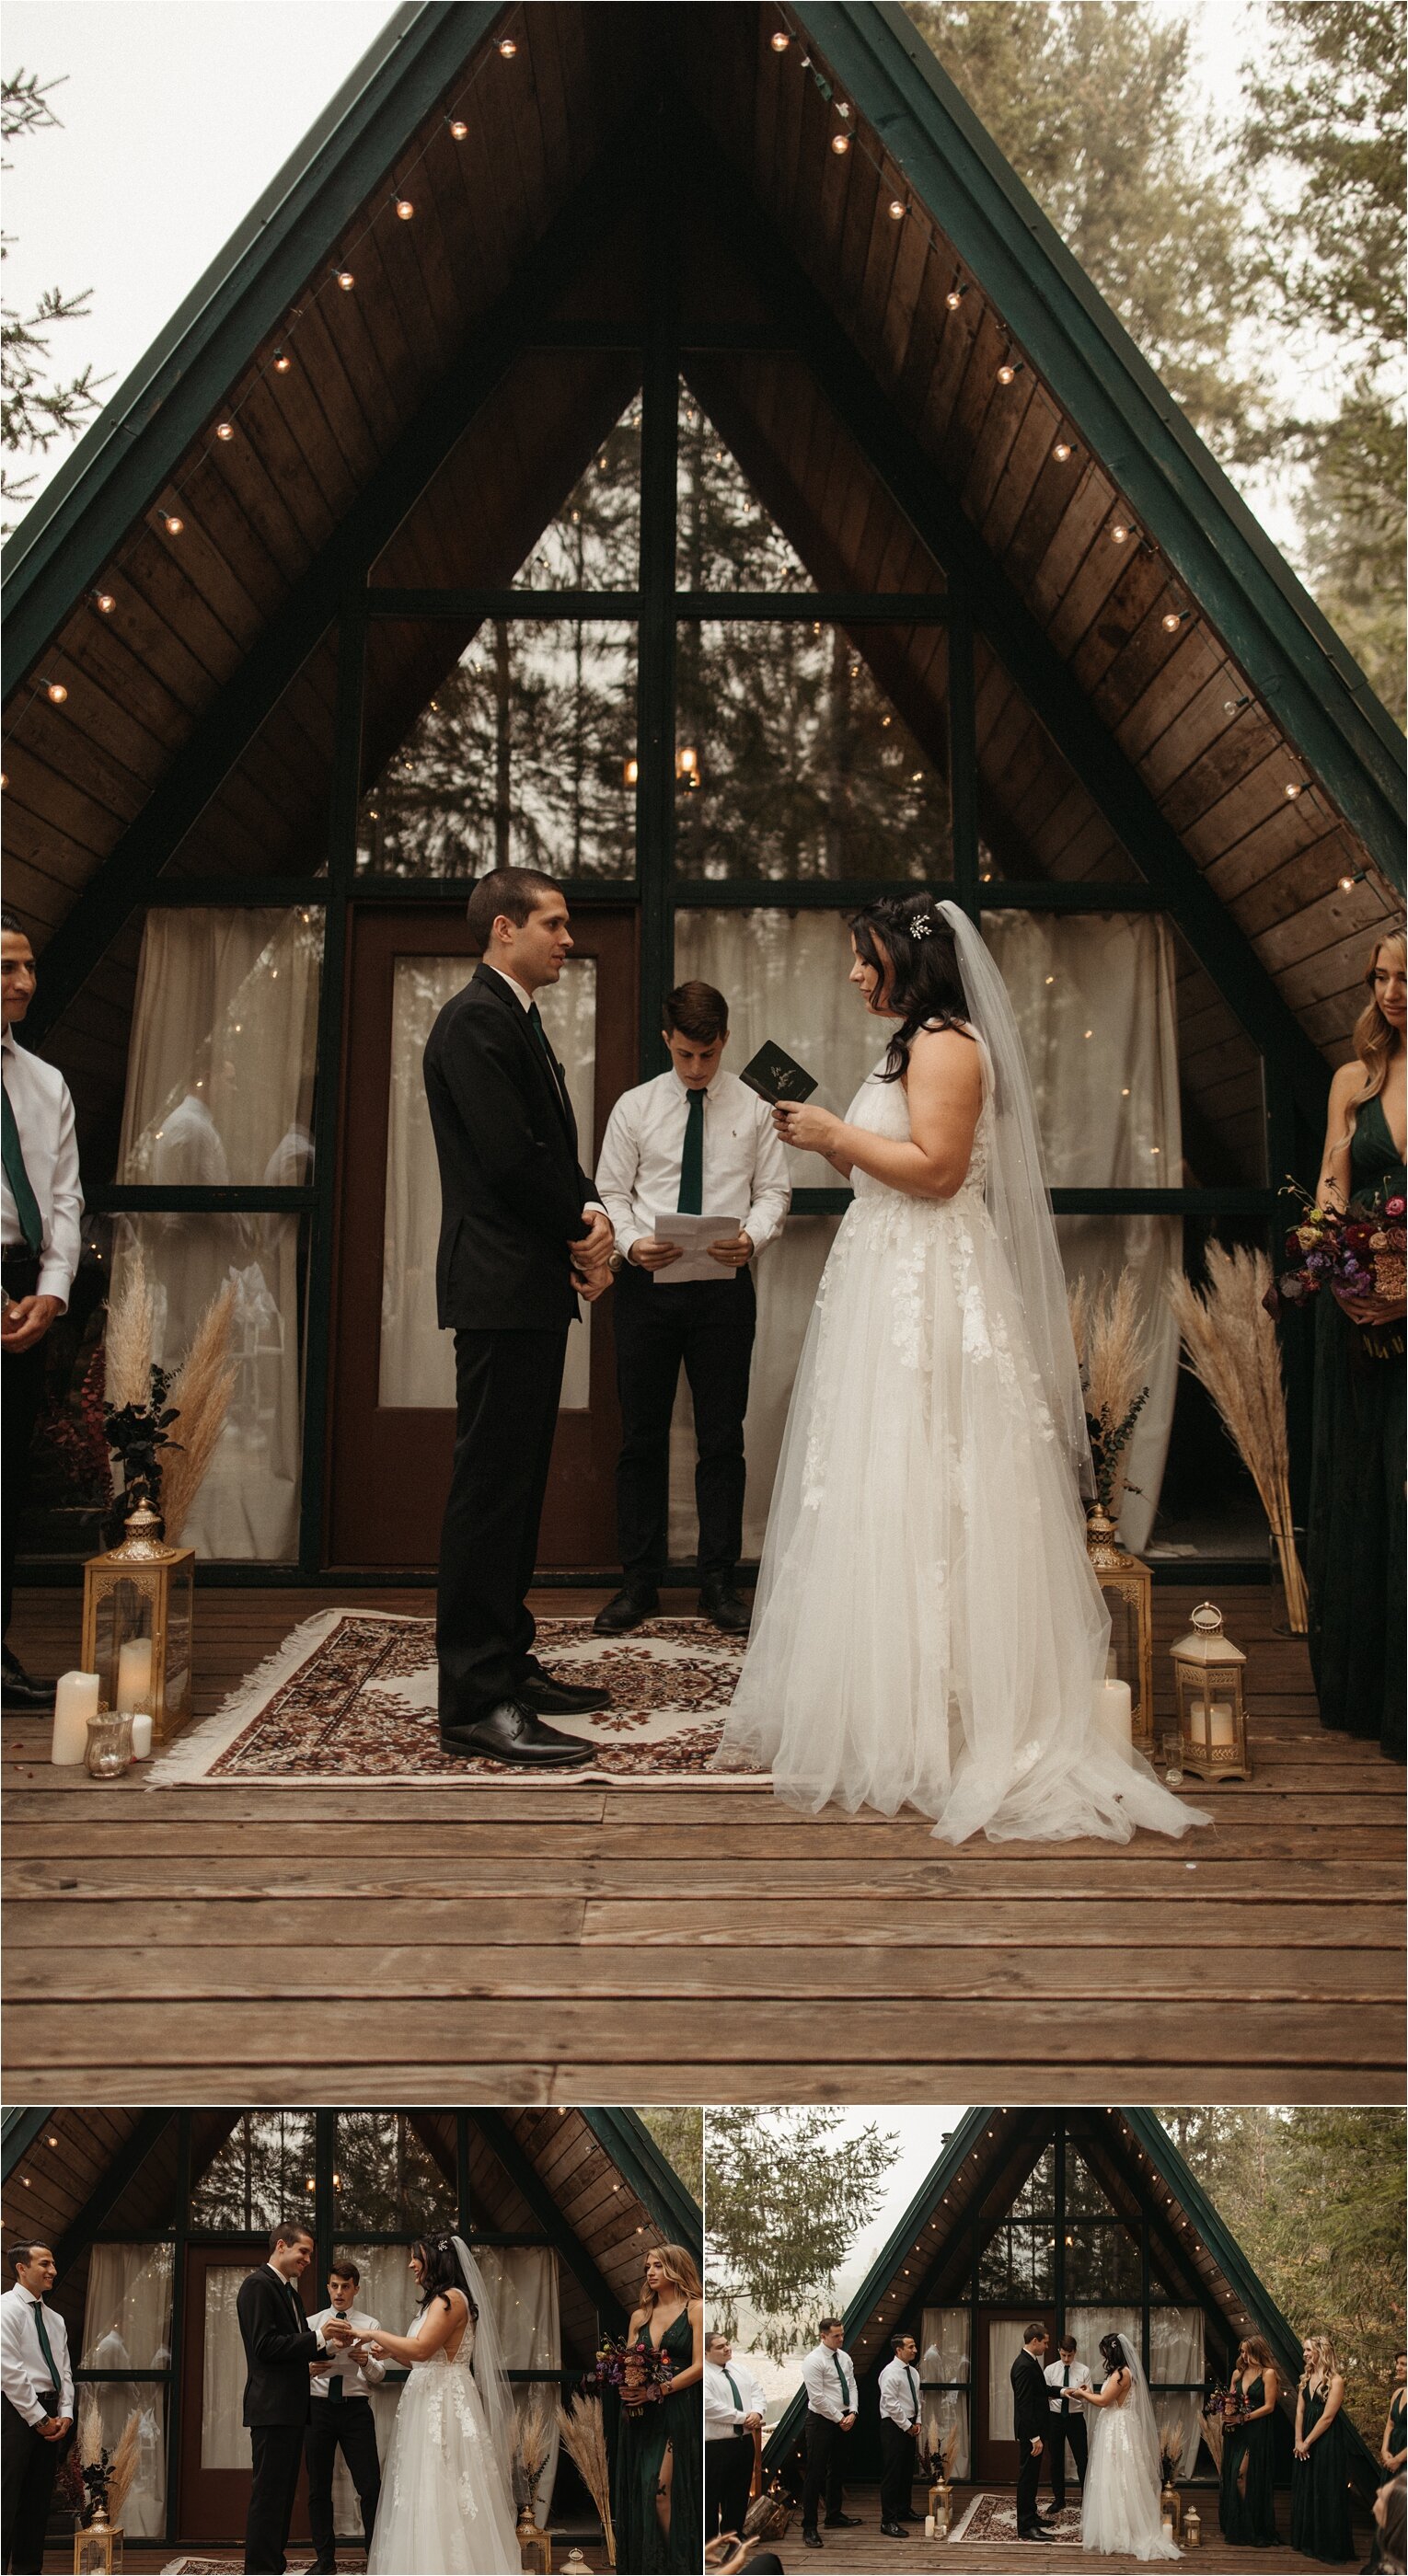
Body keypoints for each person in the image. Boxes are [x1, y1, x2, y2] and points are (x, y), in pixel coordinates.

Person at [715, 893, 1206, 1845]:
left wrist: (833, 1137)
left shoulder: (946, 1043)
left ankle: (949, 1712)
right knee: (879, 1476)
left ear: (907, 957)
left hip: (930, 1283)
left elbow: (938, 1170)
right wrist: (834, 1139)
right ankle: (884, 1701)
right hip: (888, 1272)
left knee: (934, 1468)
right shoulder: (908, 1041)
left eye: (865, 958)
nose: (856, 974)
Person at [423, 866, 614, 1768]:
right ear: (505, 929)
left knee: (519, 1484)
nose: (567, 939)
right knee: (490, 1492)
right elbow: (506, 1161)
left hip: (528, 1284)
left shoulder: (519, 1019)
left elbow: (550, 1150)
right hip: (499, 1286)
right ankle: (472, 1698)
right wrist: (584, 1224)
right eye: (555, 923)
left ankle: (507, 1656)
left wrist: (589, 1210)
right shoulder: (473, 1021)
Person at [594, 978, 790, 1637]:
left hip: (725, 1290)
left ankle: (717, 1583)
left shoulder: (755, 1108)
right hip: (648, 1289)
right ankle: (638, 1582)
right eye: (684, 1055)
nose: (697, 1068)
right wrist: (630, 1242)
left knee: (720, 1438)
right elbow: (611, 1192)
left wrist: (752, 1238)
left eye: (707, 1055)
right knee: (641, 1438)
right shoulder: (635, 1107)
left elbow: (775, 1193)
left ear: (724, 1041)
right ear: (667, 1042)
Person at [1308, 928, 1406, 1763]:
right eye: (1381, 976)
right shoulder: (1355, 1080)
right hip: (1359, 1313)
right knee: (1367, 1486)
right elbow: (1330, 1192)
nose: (1392, 992)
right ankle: (1369, 1693)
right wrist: (1340, 1273)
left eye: (1406, 976)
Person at [2, 911, 83, 1710]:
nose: (25, 983)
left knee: (4, 1482)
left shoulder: (44, 1080)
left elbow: (63, 1197)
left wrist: (51, 1292)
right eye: (6, 968)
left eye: (28, 967)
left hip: (24, 1290)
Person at [361, 2235, 520, 2575]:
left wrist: (375, 2335)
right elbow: (421, 2359)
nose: (410, 2265)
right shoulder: (433, 2302)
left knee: (445, 2483)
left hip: (445, 2403)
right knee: (420, 2486)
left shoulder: (452, 2300)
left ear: (435, 2259)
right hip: (425, 2398)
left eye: (416, 2257)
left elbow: (420, 2349)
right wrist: (392, 2352)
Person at [236, 2221, 355, 2576]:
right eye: (303, 2251)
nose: (307, 2259)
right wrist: (318, 2336)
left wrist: (332, 2345)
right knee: (268, 2497)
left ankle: (273, 2565)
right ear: (282, 2246)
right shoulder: (257, 2286)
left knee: (283, 2497)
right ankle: (260, 2570)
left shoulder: (289, 2291)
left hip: (290, 2410)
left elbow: (299, 2348)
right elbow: (264, 2346)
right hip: (271, 2408)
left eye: (309, 2254)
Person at [615, 2244, 704, 2573]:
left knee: (660, 2493)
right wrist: (625, 2382)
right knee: (641, 2491)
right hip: (639, 2415)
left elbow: (700, 2367)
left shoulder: (696, 2309)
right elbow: (628, 2363)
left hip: (676, 2411)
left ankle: (678, 2566)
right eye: (647, 2268)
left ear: (676, 2268)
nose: (650, 2272)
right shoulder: (640, 2315)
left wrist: (658, 2390)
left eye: (657, 2266)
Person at [303, 2258, 386, 2575]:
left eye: (346, 2287)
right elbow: (296, 2367)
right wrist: (308, 2369)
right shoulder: (312, 2323)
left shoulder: (371, 2325)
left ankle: (374, 2556)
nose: (339, 2292)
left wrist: (365, 2362)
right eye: (334, 2286)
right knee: (318, 2488)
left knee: (369, 2486)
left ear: (356, 2289)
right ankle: (325, 2561)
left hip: (355, 2412)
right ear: (328, 2287)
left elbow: (378, 2377)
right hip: (318, 2409)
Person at [1068, 2330, 1179, 2561]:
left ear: (1113, 2351)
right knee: (1117, 2474)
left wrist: (1082, 2394)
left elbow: (1104, 2401)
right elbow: (1109, 2397)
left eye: (1105, 2351)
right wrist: (1091, 2393)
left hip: (1118, 2429)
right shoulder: (1123, 2372)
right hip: (1118, 2424)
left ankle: (1122, 2530)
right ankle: (1116, 2525)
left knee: (1119, 2475)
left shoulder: (1122, 2374)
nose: (1103, 2355)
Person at [1, 2243, 74, 2576]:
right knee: (6, 2499)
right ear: (21, 2268)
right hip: (14, 2412)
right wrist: (39, 2419)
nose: (53, 2271)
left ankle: (29, 2571)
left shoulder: (56, 2319)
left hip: (51, 2414)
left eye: (54, 2264)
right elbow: (9, 2372)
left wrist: (66, 2414)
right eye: (45, 2263)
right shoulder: (5, 2310)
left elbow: (65, 2371)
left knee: (37, 2505)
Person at [799, 2318, 860, 2551]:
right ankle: (809, 2527)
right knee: (815, 2473)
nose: (841, 2339)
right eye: (836, 2336)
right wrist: (839, 2418)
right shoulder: (813, 2361)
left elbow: (852, 2385)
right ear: (823, 2336)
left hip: (845, 2417)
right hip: (821, 2421)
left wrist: (853, 2411)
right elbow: (817, 2397)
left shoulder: (845, 2357)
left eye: (842, 2334)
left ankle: (834, 2516)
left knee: (838, 2468)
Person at [1292, 2335, 1355, 2565]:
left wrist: (1307, 2442)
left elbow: (1328, 2417)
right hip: (1305, 2439)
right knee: (1307, 2485)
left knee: (1325, 2487)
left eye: (1308, 2350)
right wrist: (1298, 2440)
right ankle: (1308, 2539)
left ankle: (1326, 2543)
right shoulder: (1305, 2376)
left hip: (1327, 2441)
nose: (1305, 2354)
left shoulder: (1336, 2380)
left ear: (1321, 2351)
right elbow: (1299, 2411)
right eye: (1304, 2350)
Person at [1218, 2336, 1281, 2548]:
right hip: (1236, 2432)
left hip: (1256, 2431)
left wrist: (1243, 2417)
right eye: (1242, 2351)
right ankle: (1240, 2522)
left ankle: (1252, 2523)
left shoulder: (1268, 2374)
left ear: (1257, 2351)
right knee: (1232, 2473)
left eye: (1247, 2351)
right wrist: (1227, 2411)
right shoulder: (1238, 2373)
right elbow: (1230, 2398)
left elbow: (1269, 2406)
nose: (1243, 2356)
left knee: (1241, 2476)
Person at [704, 2330, 765, 2545]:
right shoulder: (705, 2375)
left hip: (743, 2442)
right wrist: (742, 2418)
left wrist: (757, 2413)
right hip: (715, 2446)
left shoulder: (741, 2370)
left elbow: (758, 2392)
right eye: (720, 2347)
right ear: (706, 2352)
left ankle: (734, 2534)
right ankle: (708, 2540)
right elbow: (709, 2406)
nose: (727, 2348)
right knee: (710, 2495)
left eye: (727, 2344)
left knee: (738, 2492)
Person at [1010, 2322, 1056, 2544]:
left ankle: (1031, 2516)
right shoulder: (1023, 2365)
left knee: (1032, 2476)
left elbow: (1042, 2392)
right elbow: (1025, 2405)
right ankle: (1025, 2526)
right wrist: (1034, 2437)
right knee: (1027, 2478)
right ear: (1035, 2341)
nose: (1048, 2346)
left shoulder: (1031, 2362)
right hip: (1031, 2433)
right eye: (1045, 2342)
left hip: (1035, 2430)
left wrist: (1066, 2391)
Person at [877, 2330, 923, 2536]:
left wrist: (918, 2421)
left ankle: (904, 2510)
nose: (915, 2350)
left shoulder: (913, 2372)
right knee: (893, 2473)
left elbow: (917, 2398)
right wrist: (907, 2426)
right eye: (910, 2347)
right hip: (894, 2426)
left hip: (911, 2424)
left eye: (914, 2346)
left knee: (906, 2471)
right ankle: (888, 2520)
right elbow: (890, 2403)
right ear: (898, 2350)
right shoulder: (890, 2372)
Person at [1044, 2333, 1091, 2511]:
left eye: (1069, 2355)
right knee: (1056, 2460)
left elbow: (1089, 2398)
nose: (1066, 2359)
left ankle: (1086, 2500)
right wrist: (1062, 2392)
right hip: (1055, 2417)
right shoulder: (1050, 2370)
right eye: (1063, 2355)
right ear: (1059, 2351)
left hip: (1075, 2419)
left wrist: (1079, 2394)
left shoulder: (1084, 2370)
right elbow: (1044, 2393)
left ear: (1075, 2352)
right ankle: (1059, 2499)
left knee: (1082, 2460)